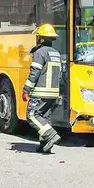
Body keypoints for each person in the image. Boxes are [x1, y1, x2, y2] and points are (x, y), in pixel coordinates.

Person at [22, 24, 64, 154]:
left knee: (32, 115)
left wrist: (26, 90)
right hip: (53, 93)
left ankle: (51, 135)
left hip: (41, 92)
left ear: (41, 38)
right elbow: (60, 75)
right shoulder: (56, 53)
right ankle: (45, 145)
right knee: (44, 118)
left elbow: (34, 73)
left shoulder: (40, 53)